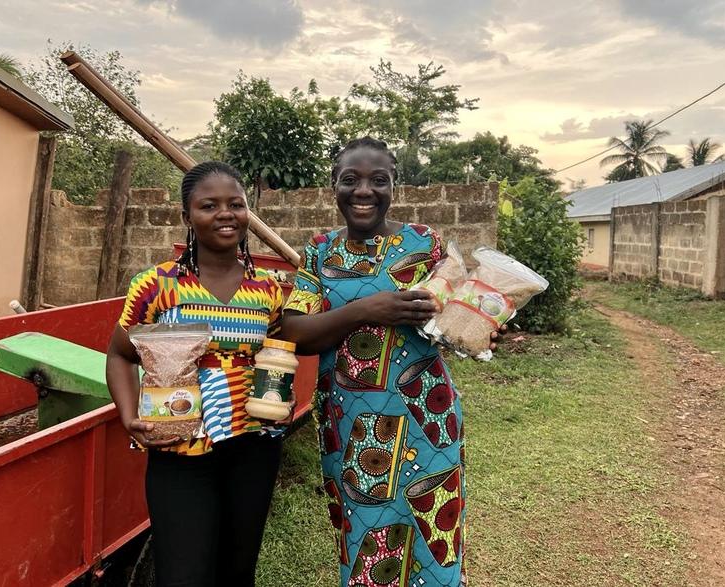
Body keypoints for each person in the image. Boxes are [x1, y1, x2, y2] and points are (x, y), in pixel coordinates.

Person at [281, 137, 500, 586]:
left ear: (394, 186)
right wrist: (366, 310)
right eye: (351, 180)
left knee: (432, 532)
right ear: (334, 187)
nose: (364, 190)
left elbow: (456, 307)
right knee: (367, 540)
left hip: (427, 413)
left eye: (378, 180)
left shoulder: (425, 244)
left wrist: (481, 319)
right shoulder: (320, 252)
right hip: (353, 426)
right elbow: (294, 332)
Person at [106, 161, 285, 587]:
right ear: (188, 218)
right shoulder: (157, 286)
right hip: (180, 446)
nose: (226, 214)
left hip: (253, 446)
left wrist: (282, 396)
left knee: (237, 571)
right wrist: (130, 418)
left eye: (236, 204)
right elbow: (119, 355)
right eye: (209, 205)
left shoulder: (269, 289)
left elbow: (277, 357)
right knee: (183, 574)